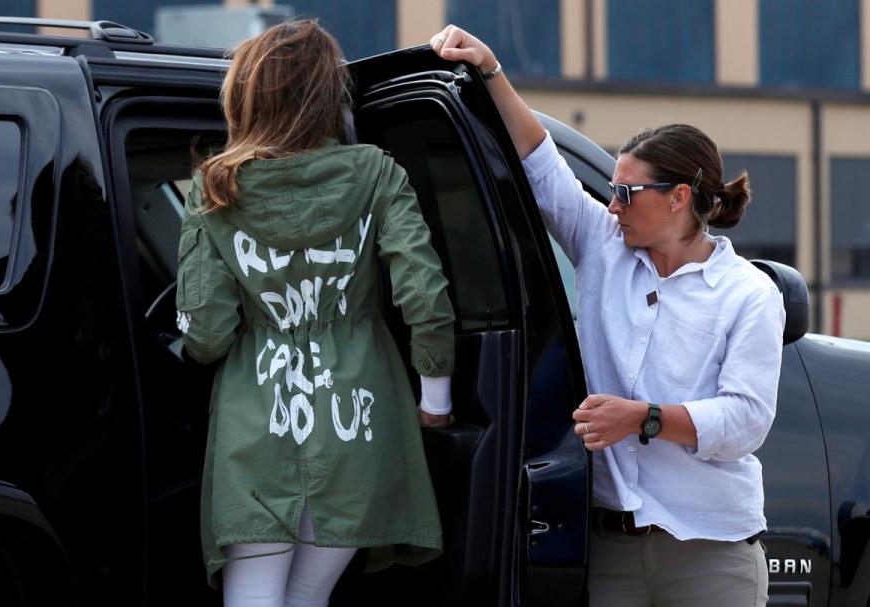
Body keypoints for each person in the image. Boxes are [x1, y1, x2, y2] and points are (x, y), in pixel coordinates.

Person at [431, 25, 785, 607]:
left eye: (626, 193)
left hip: (710, 551)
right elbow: (541, 165)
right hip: (611, 548)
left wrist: (641, 418)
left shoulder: (748, 293)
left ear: (678, 198)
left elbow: (746, 421)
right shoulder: (603, 243)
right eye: (612, 191)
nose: (612, 205)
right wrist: (491, 71)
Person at [176, 20, 456, 607]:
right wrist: (435, 398)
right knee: (308, 597)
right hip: (359, 413)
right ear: (330, 95)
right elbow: (424, 293)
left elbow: (205, 333)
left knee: (252, 595)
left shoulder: (215, 188)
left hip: (258, 417)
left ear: (248, 93)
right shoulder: (378, 173)